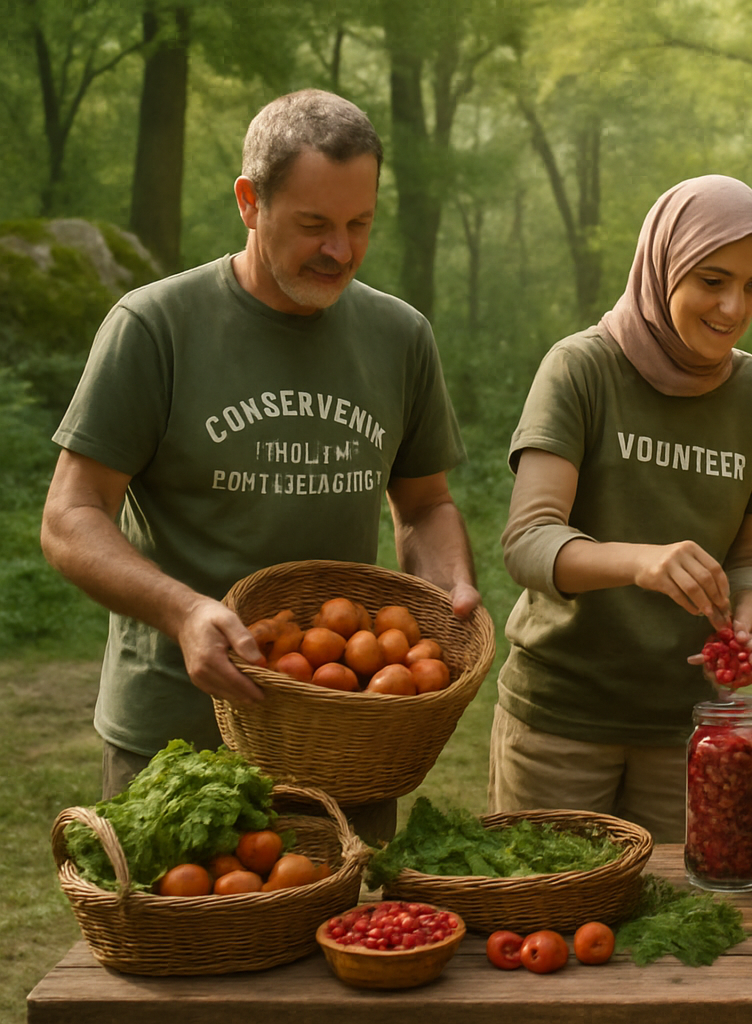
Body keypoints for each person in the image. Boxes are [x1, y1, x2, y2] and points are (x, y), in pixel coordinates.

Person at [40, 90, 479, 838]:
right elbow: (69, 519)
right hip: (176, 735)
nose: (339, 250)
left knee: (350, 947)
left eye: (358, 224)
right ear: (250, 202)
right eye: (314, 225)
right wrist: (184, 611)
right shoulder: (155, 328)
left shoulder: (399, 336)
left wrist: (447, 586)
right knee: (177, 949)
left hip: (348, 737)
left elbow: (426, 504)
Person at [492, 175, 752, 843]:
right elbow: (527, 541)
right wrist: (641, 562)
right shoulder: (581, 370)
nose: (733, 306)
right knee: (554, 915)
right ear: (664, 266)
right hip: (562, 721)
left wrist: (745, 616)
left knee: (678, 925)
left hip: (690, 727)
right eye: (711, 280)